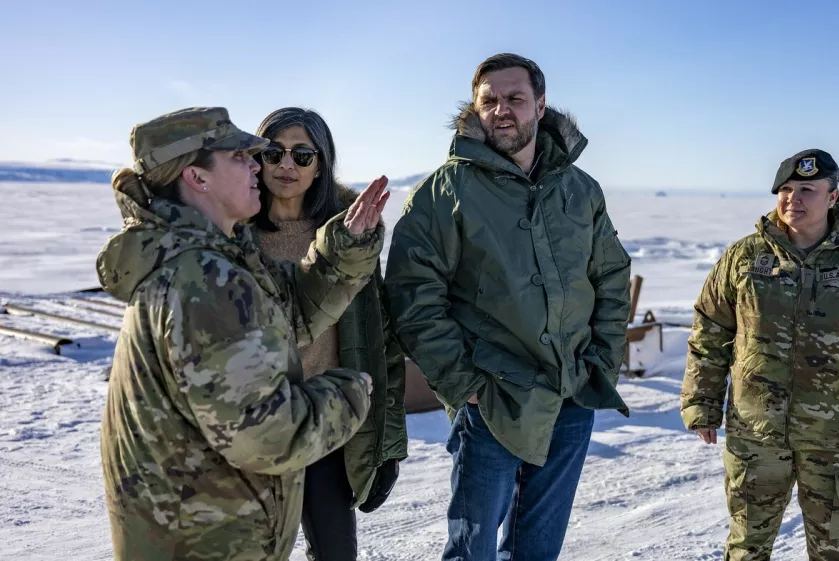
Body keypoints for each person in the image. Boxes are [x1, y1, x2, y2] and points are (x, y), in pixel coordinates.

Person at [96, 106, 391, 561]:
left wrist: (341, 251)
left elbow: (289, 313)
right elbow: (265, 436)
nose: (261, 165)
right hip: (203, 537)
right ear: (197, 178)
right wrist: (347, 393)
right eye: (242, 157)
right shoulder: (202, 280)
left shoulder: (215, 257)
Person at [385, 53, 632, 561]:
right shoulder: (444, 192)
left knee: (537, 549)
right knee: (472, 551)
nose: (502, 110)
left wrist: (601, 359)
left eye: (515, 99)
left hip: (571, 393)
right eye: (489, 101)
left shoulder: (580, 190)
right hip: (492, 400)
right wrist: (463, 383)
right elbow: (413, 297)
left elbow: (609, 276)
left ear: (540, 106)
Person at [680, 149, 839, 560]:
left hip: (838, 437)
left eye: (807, 190)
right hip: (756, 432)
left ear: (833, 197)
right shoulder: (746, 257)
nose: (793, 198)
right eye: (786, 189)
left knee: (834, 549)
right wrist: (701, 402)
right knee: (746, 546)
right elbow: (710, 328)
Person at [250, 107, 408, 561]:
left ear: (321, 164)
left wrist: (388, 438)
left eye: (302, 154)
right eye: (273, 152)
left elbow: (380, 341)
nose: (286, 165)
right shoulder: (234, 232)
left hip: (325, 419)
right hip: (254, 423)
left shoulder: (348, 234)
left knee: (337, 552)